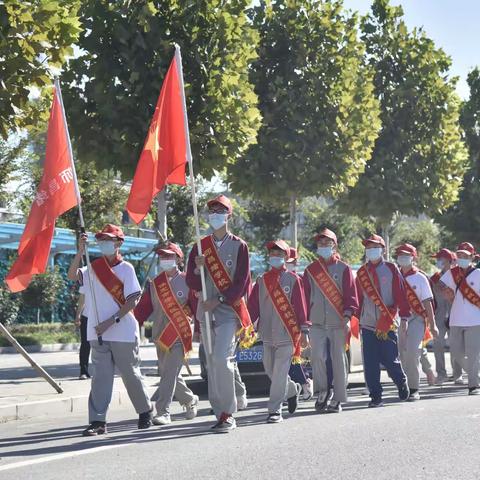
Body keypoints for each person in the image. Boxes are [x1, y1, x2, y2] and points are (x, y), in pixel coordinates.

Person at [67, 224, 152, 436]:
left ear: (118, 243)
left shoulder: (127, 269)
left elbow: (133, 300)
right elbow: (71, 275)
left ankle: (145, 411)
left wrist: (111, 321)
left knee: (130, 374)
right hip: (97, 333)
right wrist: (80, 250)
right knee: (100, 378)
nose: (104, 243)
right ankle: (97, 421)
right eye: (101, 240)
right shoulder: (93, 267)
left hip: (121, 331)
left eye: (109, 240)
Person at [186, 195, 253, 433]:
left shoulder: (239, 246)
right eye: (212, 211)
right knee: (211, 364)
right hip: (205, 313)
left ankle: (228, 413)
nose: (215, 215)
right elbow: (191, 281)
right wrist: (197, 267)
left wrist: (220, 300)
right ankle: (219, 411)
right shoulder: (200, 246)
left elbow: (242, 282)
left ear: (228, 216)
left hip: (227, 311)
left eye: (220, 211)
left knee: (221, 360)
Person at [134, 241, 199, 425]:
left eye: (169, 256)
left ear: (179, 259)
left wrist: (200, 329)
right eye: (162, 256)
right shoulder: (156, 283)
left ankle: (163, 411)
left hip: (180, 333)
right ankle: (189, 399)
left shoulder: (188, 281)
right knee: (168, 373)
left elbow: (195, 307)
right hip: (160, 336)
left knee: (169, 373)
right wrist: (131, 322)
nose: (165, 259)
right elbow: (143, 309)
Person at [247, 240, 309, 423]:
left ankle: (274, 410)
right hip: (266, 333)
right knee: (270, 370)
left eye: (279, 254)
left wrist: (304, 330)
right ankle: (292, 389)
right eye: (272, 254)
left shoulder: (294, 280)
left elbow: (300, 307)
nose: (275, 257)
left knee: (281, 371)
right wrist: (246, 326)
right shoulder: (262, 280)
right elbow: (253, 306)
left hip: (287, 333)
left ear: (285, 257)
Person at [303, 228, 358, 413]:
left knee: (338, 360)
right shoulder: (311, 270)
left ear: (334, 245)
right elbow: (305, 297)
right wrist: (304, 321)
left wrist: (348, 316)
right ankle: (323, 391)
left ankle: (338, 398)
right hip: (317, 322)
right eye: (320, 243)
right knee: (317, 357)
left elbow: (351, 296)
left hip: (338, 322)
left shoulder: (343, 268)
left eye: (327, 243)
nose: (323, 246)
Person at [356, 234, 410, 407]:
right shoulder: (361, 272)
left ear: (382, 249)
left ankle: (400, 380)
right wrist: (358, 318)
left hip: (386, 322)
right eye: (368, 247)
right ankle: (375, 395)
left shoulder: (391, 268)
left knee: (390, 359)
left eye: (374, 247)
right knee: (370, 362)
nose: (371, 250)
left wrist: (404, 317)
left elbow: (401, 293)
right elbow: (358, 298)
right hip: (367, 323)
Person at [395, 243, 439, 401]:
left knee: (413, 351)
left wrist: (433, 325)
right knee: (402, 354)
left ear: (413, 258)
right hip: (399, 320)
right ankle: (407, 384)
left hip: (416, 319)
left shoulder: (420, 277)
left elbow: (428, 303)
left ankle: (414, 388)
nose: (403, 257)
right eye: (400, 255)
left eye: (406, 255)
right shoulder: (395, 275)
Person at [439, 242, 480, 395]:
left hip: (475, 320)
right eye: (460, 255)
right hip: (456, 319)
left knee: (473, 353)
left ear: (472, 257)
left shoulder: (478, 274)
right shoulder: (452, 273)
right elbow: (441, 283)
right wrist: (446, 292)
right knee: (456, 352)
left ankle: (473, 385)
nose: (462, 258)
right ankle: (475, 373)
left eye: (465, 255)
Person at [430, 248, 464, 384]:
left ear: (450, 261)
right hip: (439, 316)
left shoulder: (458, 277)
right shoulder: (434, 279)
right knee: (438, 346)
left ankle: (457, 374)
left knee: (456, 346)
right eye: (438, 260)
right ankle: (441, 374)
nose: (438, 262)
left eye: (441, 259)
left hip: (455, 316)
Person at [285, 247, 313, 400]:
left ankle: (304, 382)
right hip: (279, 325)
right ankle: (297, 385)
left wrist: (305, 327)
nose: (289, 264)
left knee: (293, 357)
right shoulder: (274, 278)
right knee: (285, 360)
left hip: (295, 324)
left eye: (292, 262)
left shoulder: (300, 280)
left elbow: (305, 304)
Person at [75, 288, 90, 380]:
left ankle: (105, 371)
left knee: (105, 344)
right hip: (87, 317)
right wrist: (78, 315)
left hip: (102, 317)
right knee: (85, 344)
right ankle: (83, 371)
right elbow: (81, 301)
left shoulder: (107, 279)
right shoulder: (86, 277)